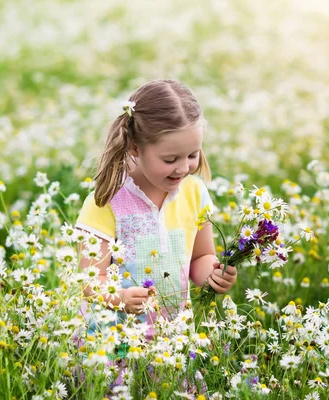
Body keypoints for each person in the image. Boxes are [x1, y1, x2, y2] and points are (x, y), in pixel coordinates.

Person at [76, 79, 237, 339]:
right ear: (135, 148)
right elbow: (91, 278)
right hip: (115, 338)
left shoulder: (194, 193)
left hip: (171, 339)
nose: (183, 168)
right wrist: (120, 298)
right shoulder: (107, 200)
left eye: (193, 155)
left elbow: (200, 258)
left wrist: (214, 275)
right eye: (170, 159)